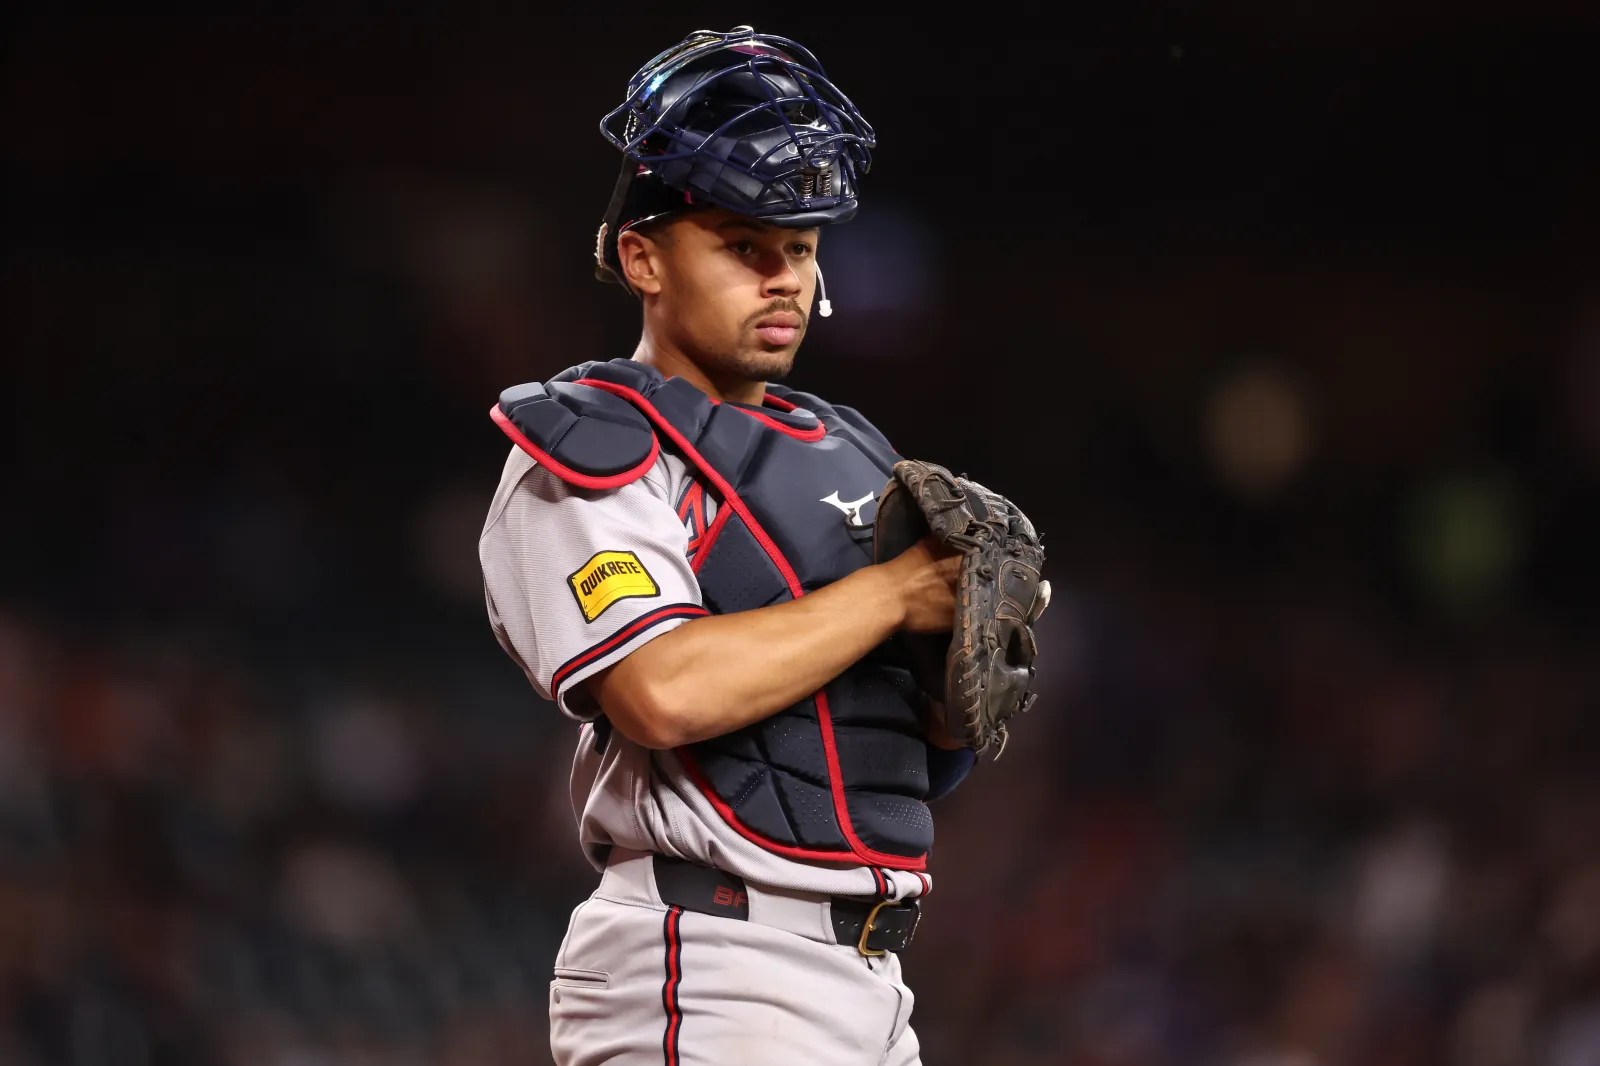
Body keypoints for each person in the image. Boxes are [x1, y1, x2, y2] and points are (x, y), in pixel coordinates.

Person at [479, 27, 978, 1066]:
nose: (783, 276)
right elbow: (660, 691)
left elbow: (893, 757)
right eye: (743, 245)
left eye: (799, 247)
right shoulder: (592, 445)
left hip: (871, 975)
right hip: (708, 963)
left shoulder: (849, 449)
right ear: (642, 256)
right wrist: (894, 594)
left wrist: (964, 657)